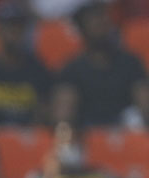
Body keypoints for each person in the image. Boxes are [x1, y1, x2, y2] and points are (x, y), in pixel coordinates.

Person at [53, 0, 149, 128]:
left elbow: (144, 102)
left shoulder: (130, 62)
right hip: (87, 133)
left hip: (125, 130)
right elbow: (63, 114)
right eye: (94, 24)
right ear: (82, 30)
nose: (101, 28)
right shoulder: (73, 69)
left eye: (103, 22)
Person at [0, 1, 53, 127]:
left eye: (19, 27)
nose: (14, 32)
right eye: (9, 26)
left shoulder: (39, 70)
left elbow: (41, 113)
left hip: (28, 140)